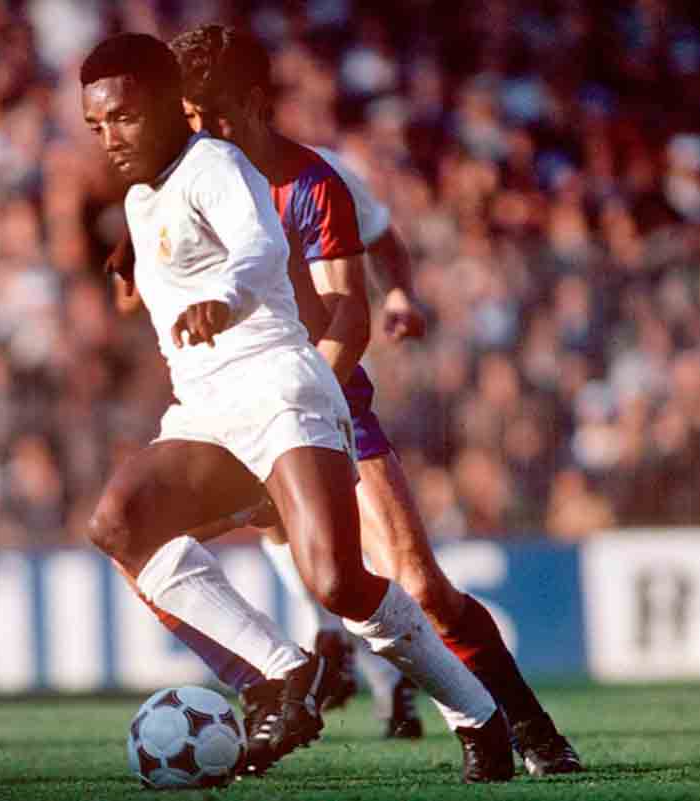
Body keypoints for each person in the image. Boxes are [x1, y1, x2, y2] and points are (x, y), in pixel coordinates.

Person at [108, 24, 582, 776]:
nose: (199, 129)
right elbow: (148, 265)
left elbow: (345, 316)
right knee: (135, 536)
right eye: (188, 116)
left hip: (322, 403)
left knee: (420, 585)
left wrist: (387, 307)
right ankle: (284, 673)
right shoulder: (183, 173)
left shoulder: (312, 183)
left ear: (253, 103)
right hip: (230, 414)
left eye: (210, 113)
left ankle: (529, 727)